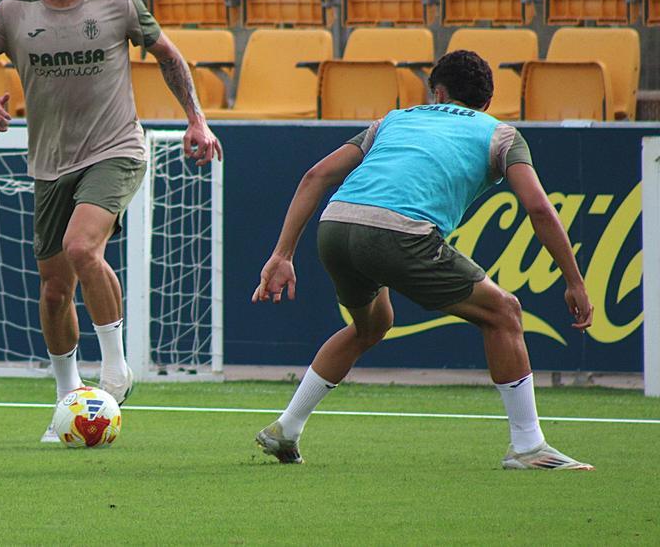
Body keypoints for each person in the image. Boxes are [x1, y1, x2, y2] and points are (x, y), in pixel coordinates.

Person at [0, 0, 222, 443]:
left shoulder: (118, 3)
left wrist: (197, 120)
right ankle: (68, 399)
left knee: (81, 248)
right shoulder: (11, 12)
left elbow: (169, 56)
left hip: (116, 148)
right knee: (55, 291)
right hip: (50, 163)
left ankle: (115, 368)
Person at [251, 50, 594, 471]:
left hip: (335, 226)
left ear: (438, 92)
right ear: (487, 102)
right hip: (399, 234)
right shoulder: (501, 134)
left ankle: (287, 427)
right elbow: (538, 208)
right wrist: (574, 281)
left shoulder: (393, 120)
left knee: (371, 325)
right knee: (504, 312)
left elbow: (315, 176)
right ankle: (528, 446)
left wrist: (282, 254)